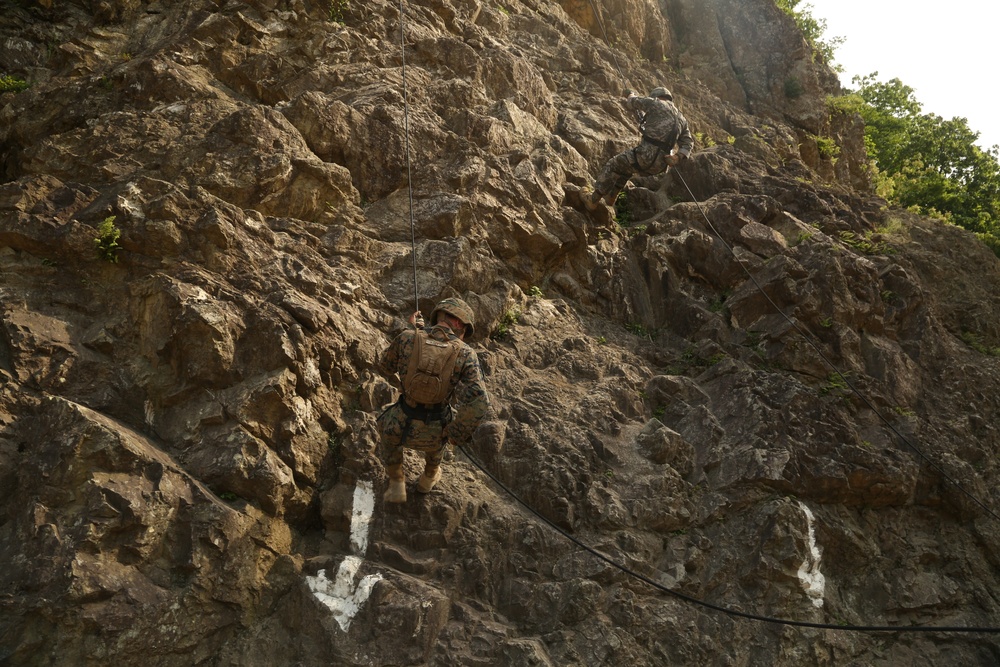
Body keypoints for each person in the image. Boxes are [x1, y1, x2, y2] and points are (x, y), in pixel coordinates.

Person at [376, 297, 489, 503]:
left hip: (400, 426)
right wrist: (456, 434)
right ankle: (428, 477)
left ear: (439, 315)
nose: (462, 336)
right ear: (458, 323)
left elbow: (385, 366)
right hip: (435, 434)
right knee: (445, 424)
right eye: (464, 331)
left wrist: (411, 333)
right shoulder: (466, 353)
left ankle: (397, 482)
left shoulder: (408, 337)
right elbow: (480, 402)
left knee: (385, 421)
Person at [584, 86, 694, 210]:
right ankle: (611, 197)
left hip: (645, 155)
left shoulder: (656, 103)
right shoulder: (682, 119)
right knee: (626, 169)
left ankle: (592, 200)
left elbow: (632, 102)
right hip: (661, 165)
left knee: (613, 164)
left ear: (656, 96)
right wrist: (677, 157)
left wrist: (630, 94)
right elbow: (688, 143)